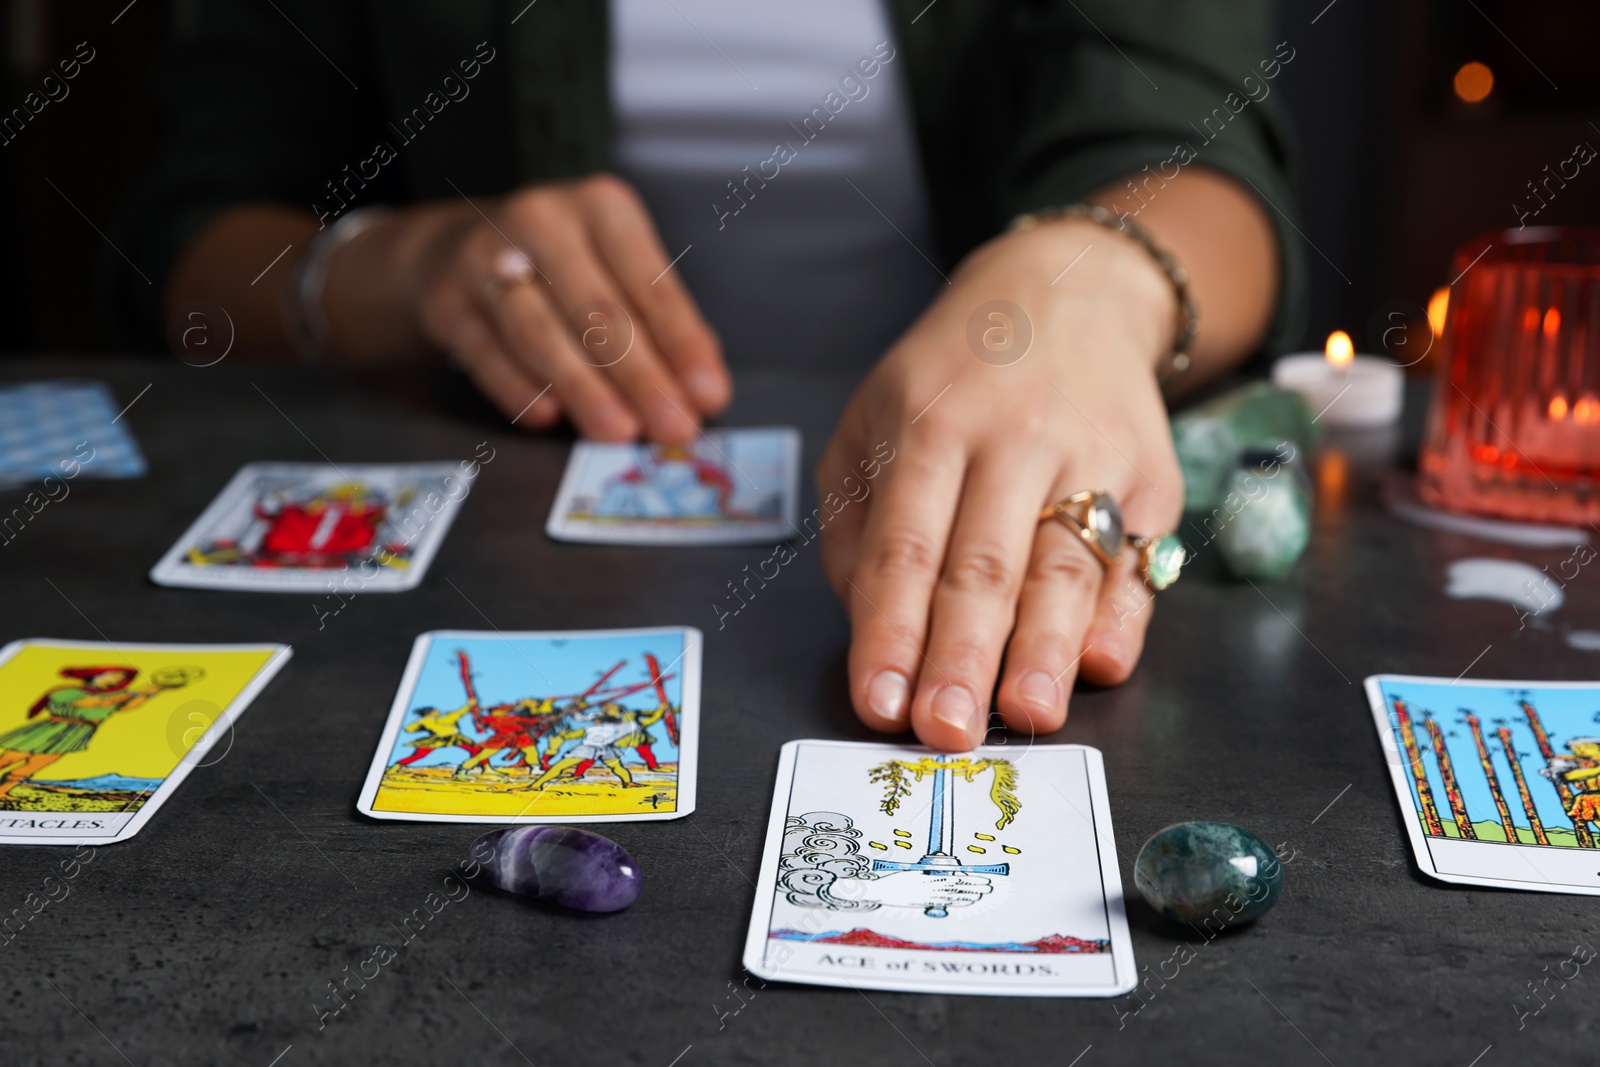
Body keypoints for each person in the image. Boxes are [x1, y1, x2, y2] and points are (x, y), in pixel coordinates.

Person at [121, 2, 1302, 752]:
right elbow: (188, 251)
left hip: (981, 488)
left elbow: (1206, 152)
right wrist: (403, 263)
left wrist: (1089, 279)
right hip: (514, 499)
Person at [0, 667, 165, 801]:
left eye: (119, 678)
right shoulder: (66, 691)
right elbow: (93, 703)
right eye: (113, 675)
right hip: (53, 728)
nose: (115, 680)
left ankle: (2, 791)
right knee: (12, 757)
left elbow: (123, 707)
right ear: (95, 676)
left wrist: (151, 692)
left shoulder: (113, 697)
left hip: (74, 735)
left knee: (37, 764)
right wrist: (133, 693)